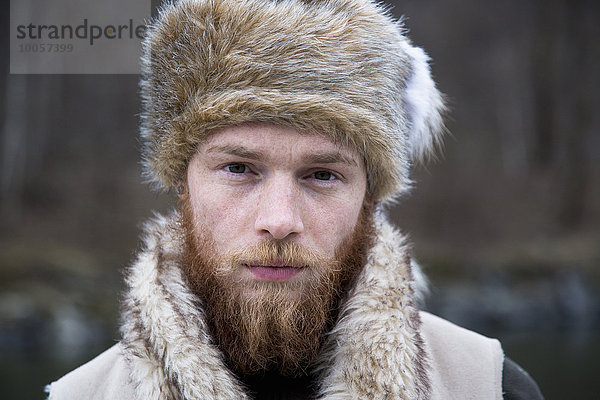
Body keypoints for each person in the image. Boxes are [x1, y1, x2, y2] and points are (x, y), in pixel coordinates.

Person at [46, 0, 544, 399]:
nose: (280, 221)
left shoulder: (487, 385)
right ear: (183, 184)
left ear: (369, 197)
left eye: (322, 175)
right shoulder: (81, 395)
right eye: (238, 169)